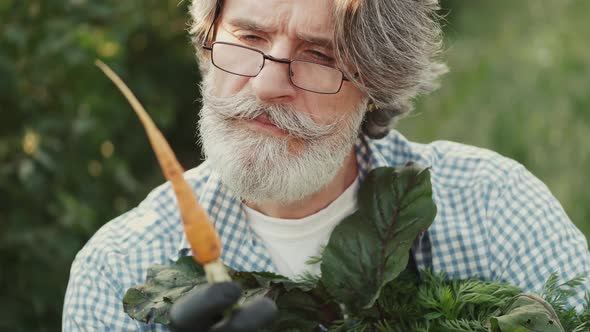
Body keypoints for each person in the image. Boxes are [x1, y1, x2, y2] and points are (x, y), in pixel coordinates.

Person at [63, 0, 590, 330]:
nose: (269, 84)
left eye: (320, 56)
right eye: (249, 39)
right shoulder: (117, 269)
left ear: (376, 85)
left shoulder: (494, 208)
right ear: (207, 44)